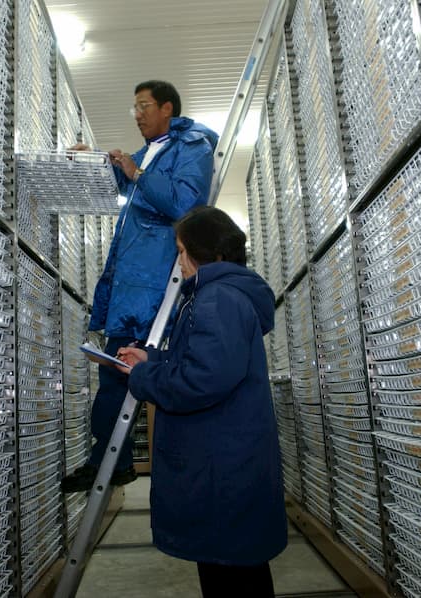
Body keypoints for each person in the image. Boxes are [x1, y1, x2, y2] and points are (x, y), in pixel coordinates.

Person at [115, 206, 288, 598]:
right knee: (234, 569)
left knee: (232, 577)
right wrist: (152, 360)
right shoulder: (222, 297)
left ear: (203, 251)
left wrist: (143, 377)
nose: (179, 260)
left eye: (181, 249)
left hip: (221, 469)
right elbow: (207, 362)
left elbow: (202, 380)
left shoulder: (217, 299)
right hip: (227, 461)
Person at [62, 81, 219, 492]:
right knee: (116, 367)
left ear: (168, 107)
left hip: (154, 279)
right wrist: (99, 163)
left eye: (144, 105)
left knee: (122, 364)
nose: (137, 113)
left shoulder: (193, 144)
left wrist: (137, 172)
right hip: (132, 277)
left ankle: (110, 463)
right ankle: (112, 462)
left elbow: (187, 205)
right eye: (134, 106)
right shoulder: (149, 154)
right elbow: (133, 188)